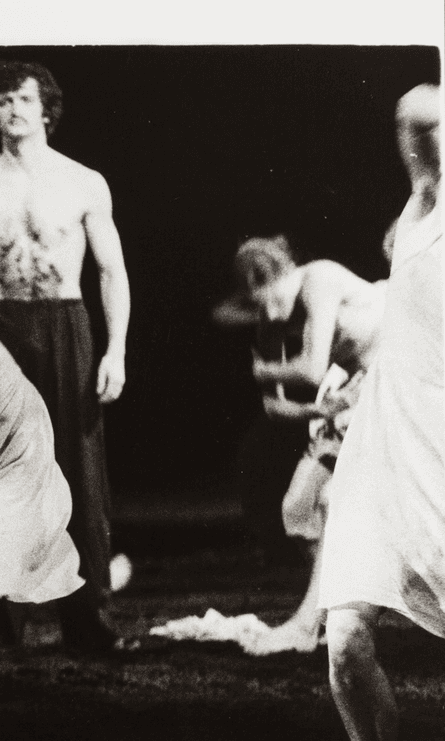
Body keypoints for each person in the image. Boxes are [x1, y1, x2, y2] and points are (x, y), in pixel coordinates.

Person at [0, 61, 132, 654]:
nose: (14, 110)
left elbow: (111, 272)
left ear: (45, 106)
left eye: (24, 98)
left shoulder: (84, 182)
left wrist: (116, 350)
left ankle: (89, 623)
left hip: (63, 322)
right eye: (3, 100)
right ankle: (0, 626)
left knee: (79, 470)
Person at [314, 84, 442, 741]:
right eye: (407, 129)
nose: (418, 140)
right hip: (382, 440)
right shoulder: (416, 210)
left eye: (430, 129)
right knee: (345, 632)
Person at [159, 238, 386, 655]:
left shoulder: (318, 279)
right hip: (350, 391)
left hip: (389, 379)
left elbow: (313, 367)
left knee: (333, 501)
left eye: (272, 298)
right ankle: (336, 607)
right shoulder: (274, 321)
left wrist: (265, 370)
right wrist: (312, 408)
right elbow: (275, 407)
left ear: (286, 275)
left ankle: (308, 623)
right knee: (296, 508)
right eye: (258, 305)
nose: (270, 310)